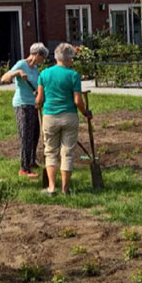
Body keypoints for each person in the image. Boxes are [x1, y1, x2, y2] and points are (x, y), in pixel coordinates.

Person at [36, 43, 91, 195]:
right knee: (67, 152)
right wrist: (85, 112)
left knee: (51, 151)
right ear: (68, 59)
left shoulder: (44, 74)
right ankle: (65, 189)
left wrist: (37, 103)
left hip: (50, 116)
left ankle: (52, 187)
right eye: (72, 58)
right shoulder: (73, 75)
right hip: (69, 117)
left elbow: (39, 100)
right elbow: (77, 101)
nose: (73, 61)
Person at [0, 43, 49, 178]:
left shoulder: (36, 69)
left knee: (34, 134)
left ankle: (31, 161)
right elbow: (4, 78)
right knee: (25, 136)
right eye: (42, 57)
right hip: (22, 104)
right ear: (36, 54)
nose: (42, 61)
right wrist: (17, 73)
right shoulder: (21, 64)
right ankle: (24, 168)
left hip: (33, 104)